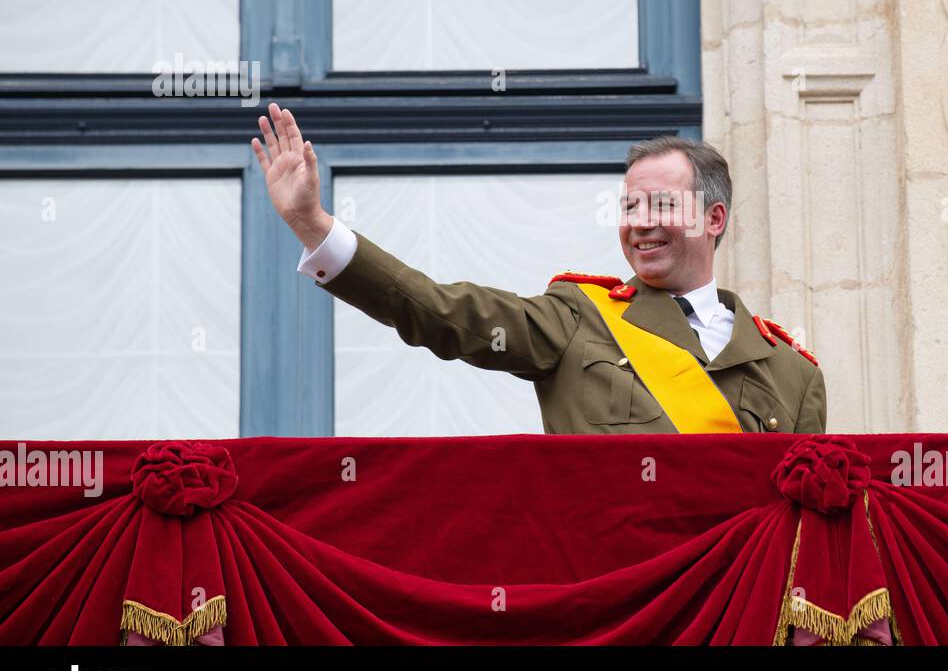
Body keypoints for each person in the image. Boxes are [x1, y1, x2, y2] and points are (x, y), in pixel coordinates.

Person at [252, 102, 826, 434]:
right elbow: (441, 312)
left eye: (662, 205)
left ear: (714, 218)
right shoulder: (581, 319)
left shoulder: (792, 375)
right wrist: (315, 228)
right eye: (629, 207)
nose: (641, 223)